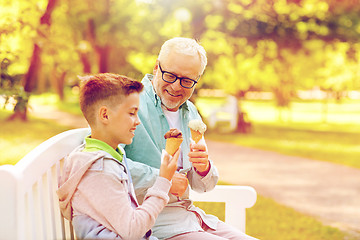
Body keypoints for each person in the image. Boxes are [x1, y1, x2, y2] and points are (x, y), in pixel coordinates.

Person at [124, 37, 258, 240]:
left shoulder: (191, 112)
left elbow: (202, 185)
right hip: (153, 225)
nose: (177, 87)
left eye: (187, 80)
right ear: (156, 68)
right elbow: (109, 167)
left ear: (197, 80)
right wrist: (162, 179)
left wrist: (203, 168)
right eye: (170, 76)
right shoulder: (129, 105)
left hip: (192, 217)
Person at [56, 73, 180, 239]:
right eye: (131, 113)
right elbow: (132, 231)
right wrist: (164, 181)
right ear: (105, 115)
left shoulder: (110, 157)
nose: (138, 121)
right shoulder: (99, 170)